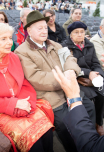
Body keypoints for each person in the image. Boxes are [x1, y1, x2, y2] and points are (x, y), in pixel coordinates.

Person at [0, 22, 54, 152]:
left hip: (22, 106)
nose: (9, 42)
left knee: (46, 129)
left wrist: (27, 104)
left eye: (10, 38)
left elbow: (25, 85)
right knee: (31, 138)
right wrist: (13, 104)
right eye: (3, 39)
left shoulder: (14, 58)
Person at [15, 10, 84, 152]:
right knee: (66, 125)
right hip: (48, 97)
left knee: (86, 108)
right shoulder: (22, 51)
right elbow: (36, 78)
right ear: (29, 30)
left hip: (66, 89)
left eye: (45, 27)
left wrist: (71, 71)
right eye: (39, 28)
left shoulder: (54, 44)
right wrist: (65, 81)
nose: (44, 30)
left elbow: (69, 59)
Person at [61, 21, 104, 136]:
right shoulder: (65, 47)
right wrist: (89, 72)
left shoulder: (89, 44)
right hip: (77, 79)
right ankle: (89, 132)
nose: (80, 34)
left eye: (82, 32)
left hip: (92, 77)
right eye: (76, 32)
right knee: (89, 104)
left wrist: (98, 74)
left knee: (103, 94)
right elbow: (69, 66)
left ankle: (99, 123)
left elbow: (96, 63)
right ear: (70, 34)